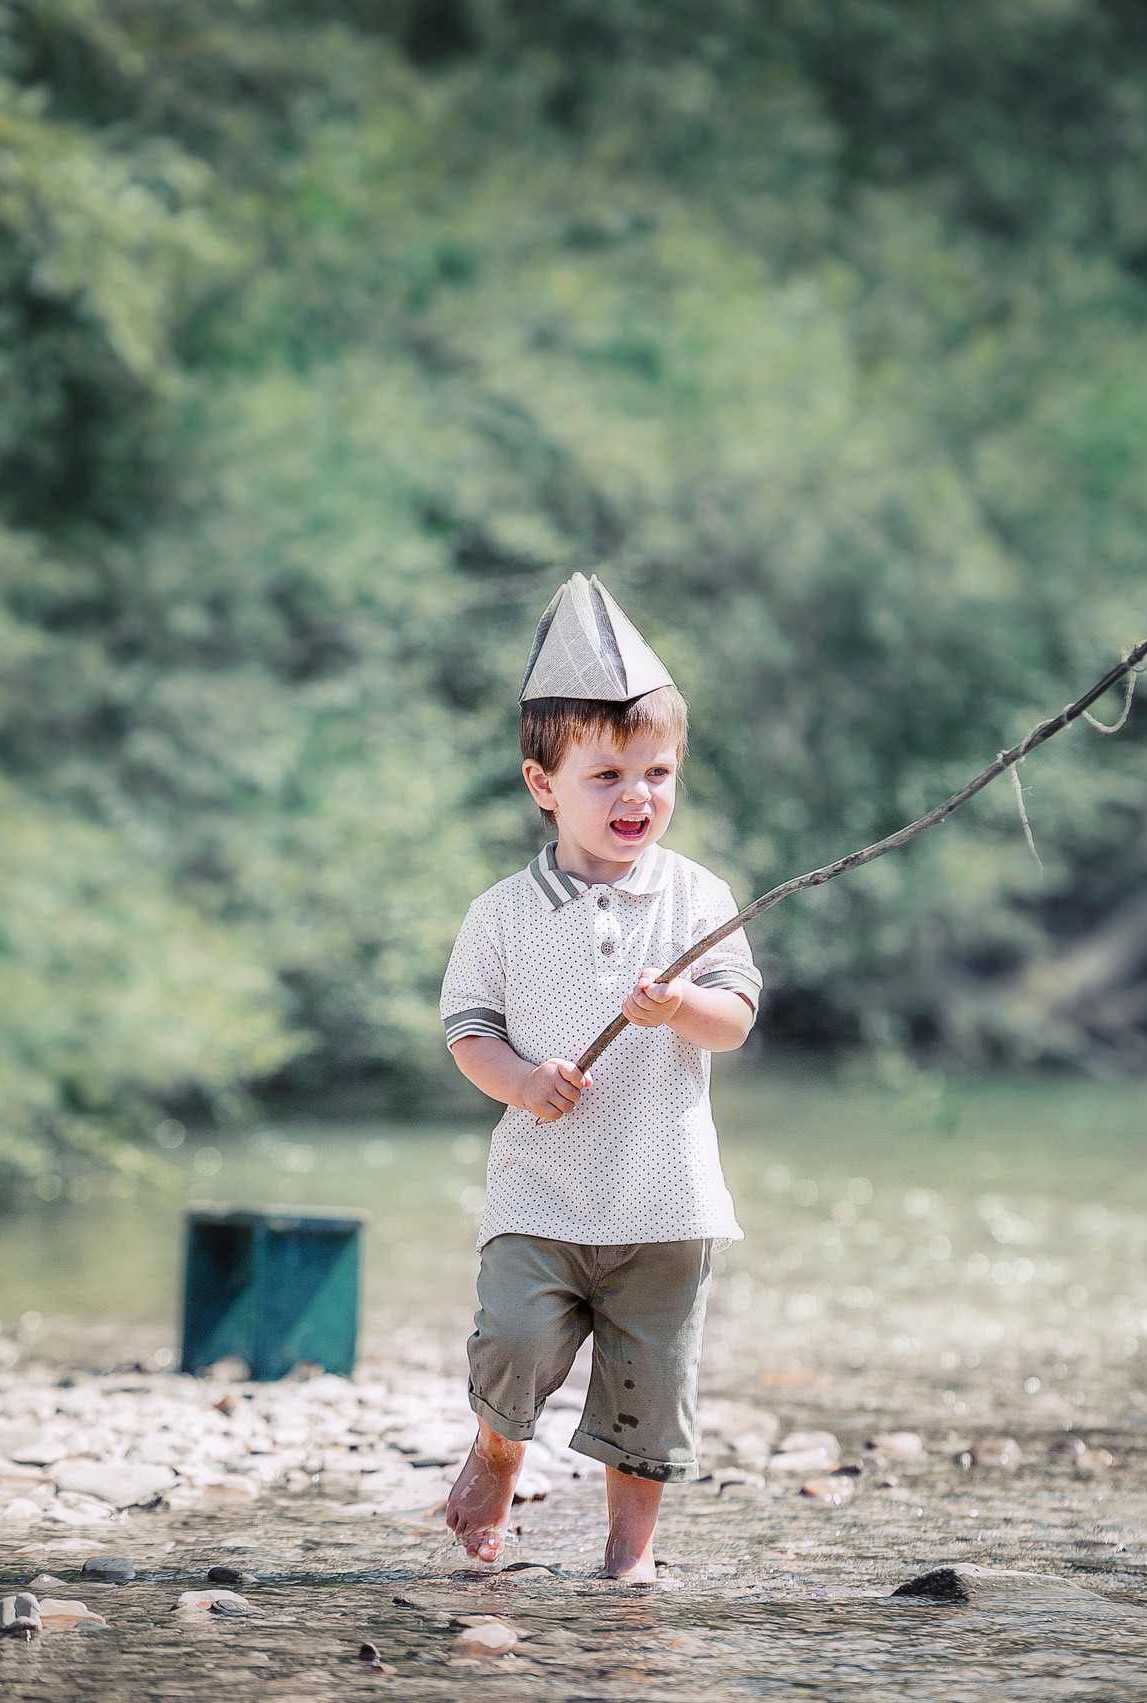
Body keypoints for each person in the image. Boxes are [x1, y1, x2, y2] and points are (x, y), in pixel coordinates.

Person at [437, 573, 761, 1584]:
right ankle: (498, 1447)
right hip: (541, 1187)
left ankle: (630, 1553)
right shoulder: (502, 911)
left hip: (665, 1195)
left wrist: (680, 1009)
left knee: (648, 1382)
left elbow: (737, 1016)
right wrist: (522, 1079)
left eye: (658, 773)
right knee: (517, 1338)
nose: (638, 798)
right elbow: (468, 1029)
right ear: (544, 783)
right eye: (608, 774)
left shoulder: (698, 895)